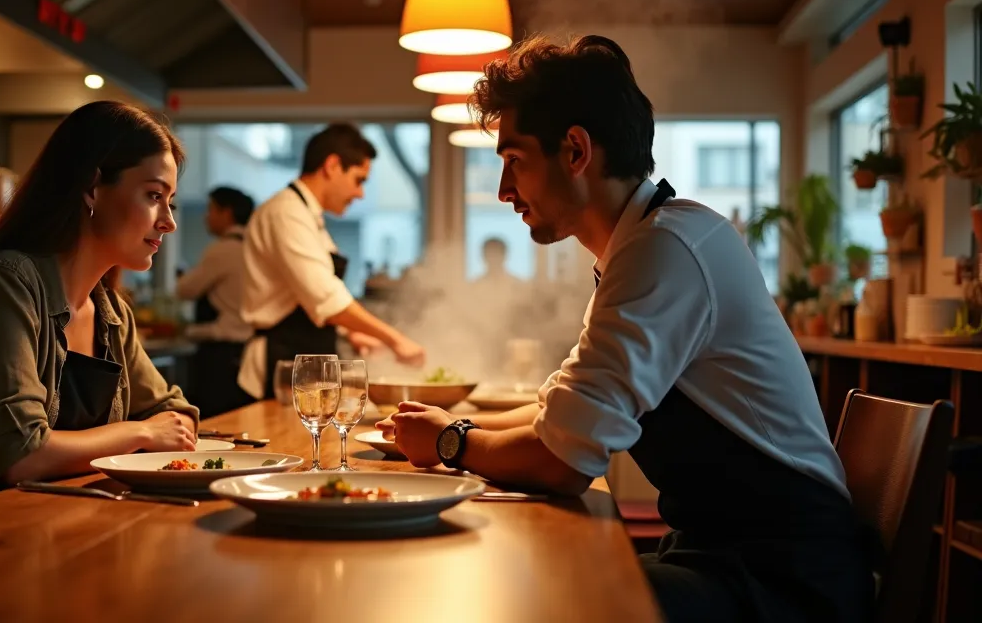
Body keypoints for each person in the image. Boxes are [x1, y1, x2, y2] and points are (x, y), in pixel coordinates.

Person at [379, 35, 874, 622]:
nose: (503, 190)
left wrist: (450, 442)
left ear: (575, 151)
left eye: (513, 161)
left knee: (530, 596)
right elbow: (558, 411)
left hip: (786, 582)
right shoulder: (643, 244)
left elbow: (564, 460)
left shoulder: (665, 249)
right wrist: (443, 427)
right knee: (529, 571)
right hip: (730, 557)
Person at [0, 101, 200, 519]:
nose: (168, 222)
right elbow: (19, 455)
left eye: (170, 202)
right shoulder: (10, 279)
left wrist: (157, 428)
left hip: (53, 523)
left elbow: (175, 415)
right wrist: (140, 432)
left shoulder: (110, 311)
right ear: (92, 187)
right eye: (154, 196)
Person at [238, 123, 426, 401]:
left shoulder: (307, 216)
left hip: (303, 358)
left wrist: (353, 333)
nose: (360, 193)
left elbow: (305, 298)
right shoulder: (285, 213)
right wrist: (395, 339)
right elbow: (325, 297)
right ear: (333, 165)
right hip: (281, 362)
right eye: (359, 180)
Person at [175, 186, 255, 416]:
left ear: (227, 212)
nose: (205, 216)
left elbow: (185, 289)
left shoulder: (223, 249)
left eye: (211, 209)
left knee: (214, 424)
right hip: (248, 353)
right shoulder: (254, 247)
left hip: (222, 355)